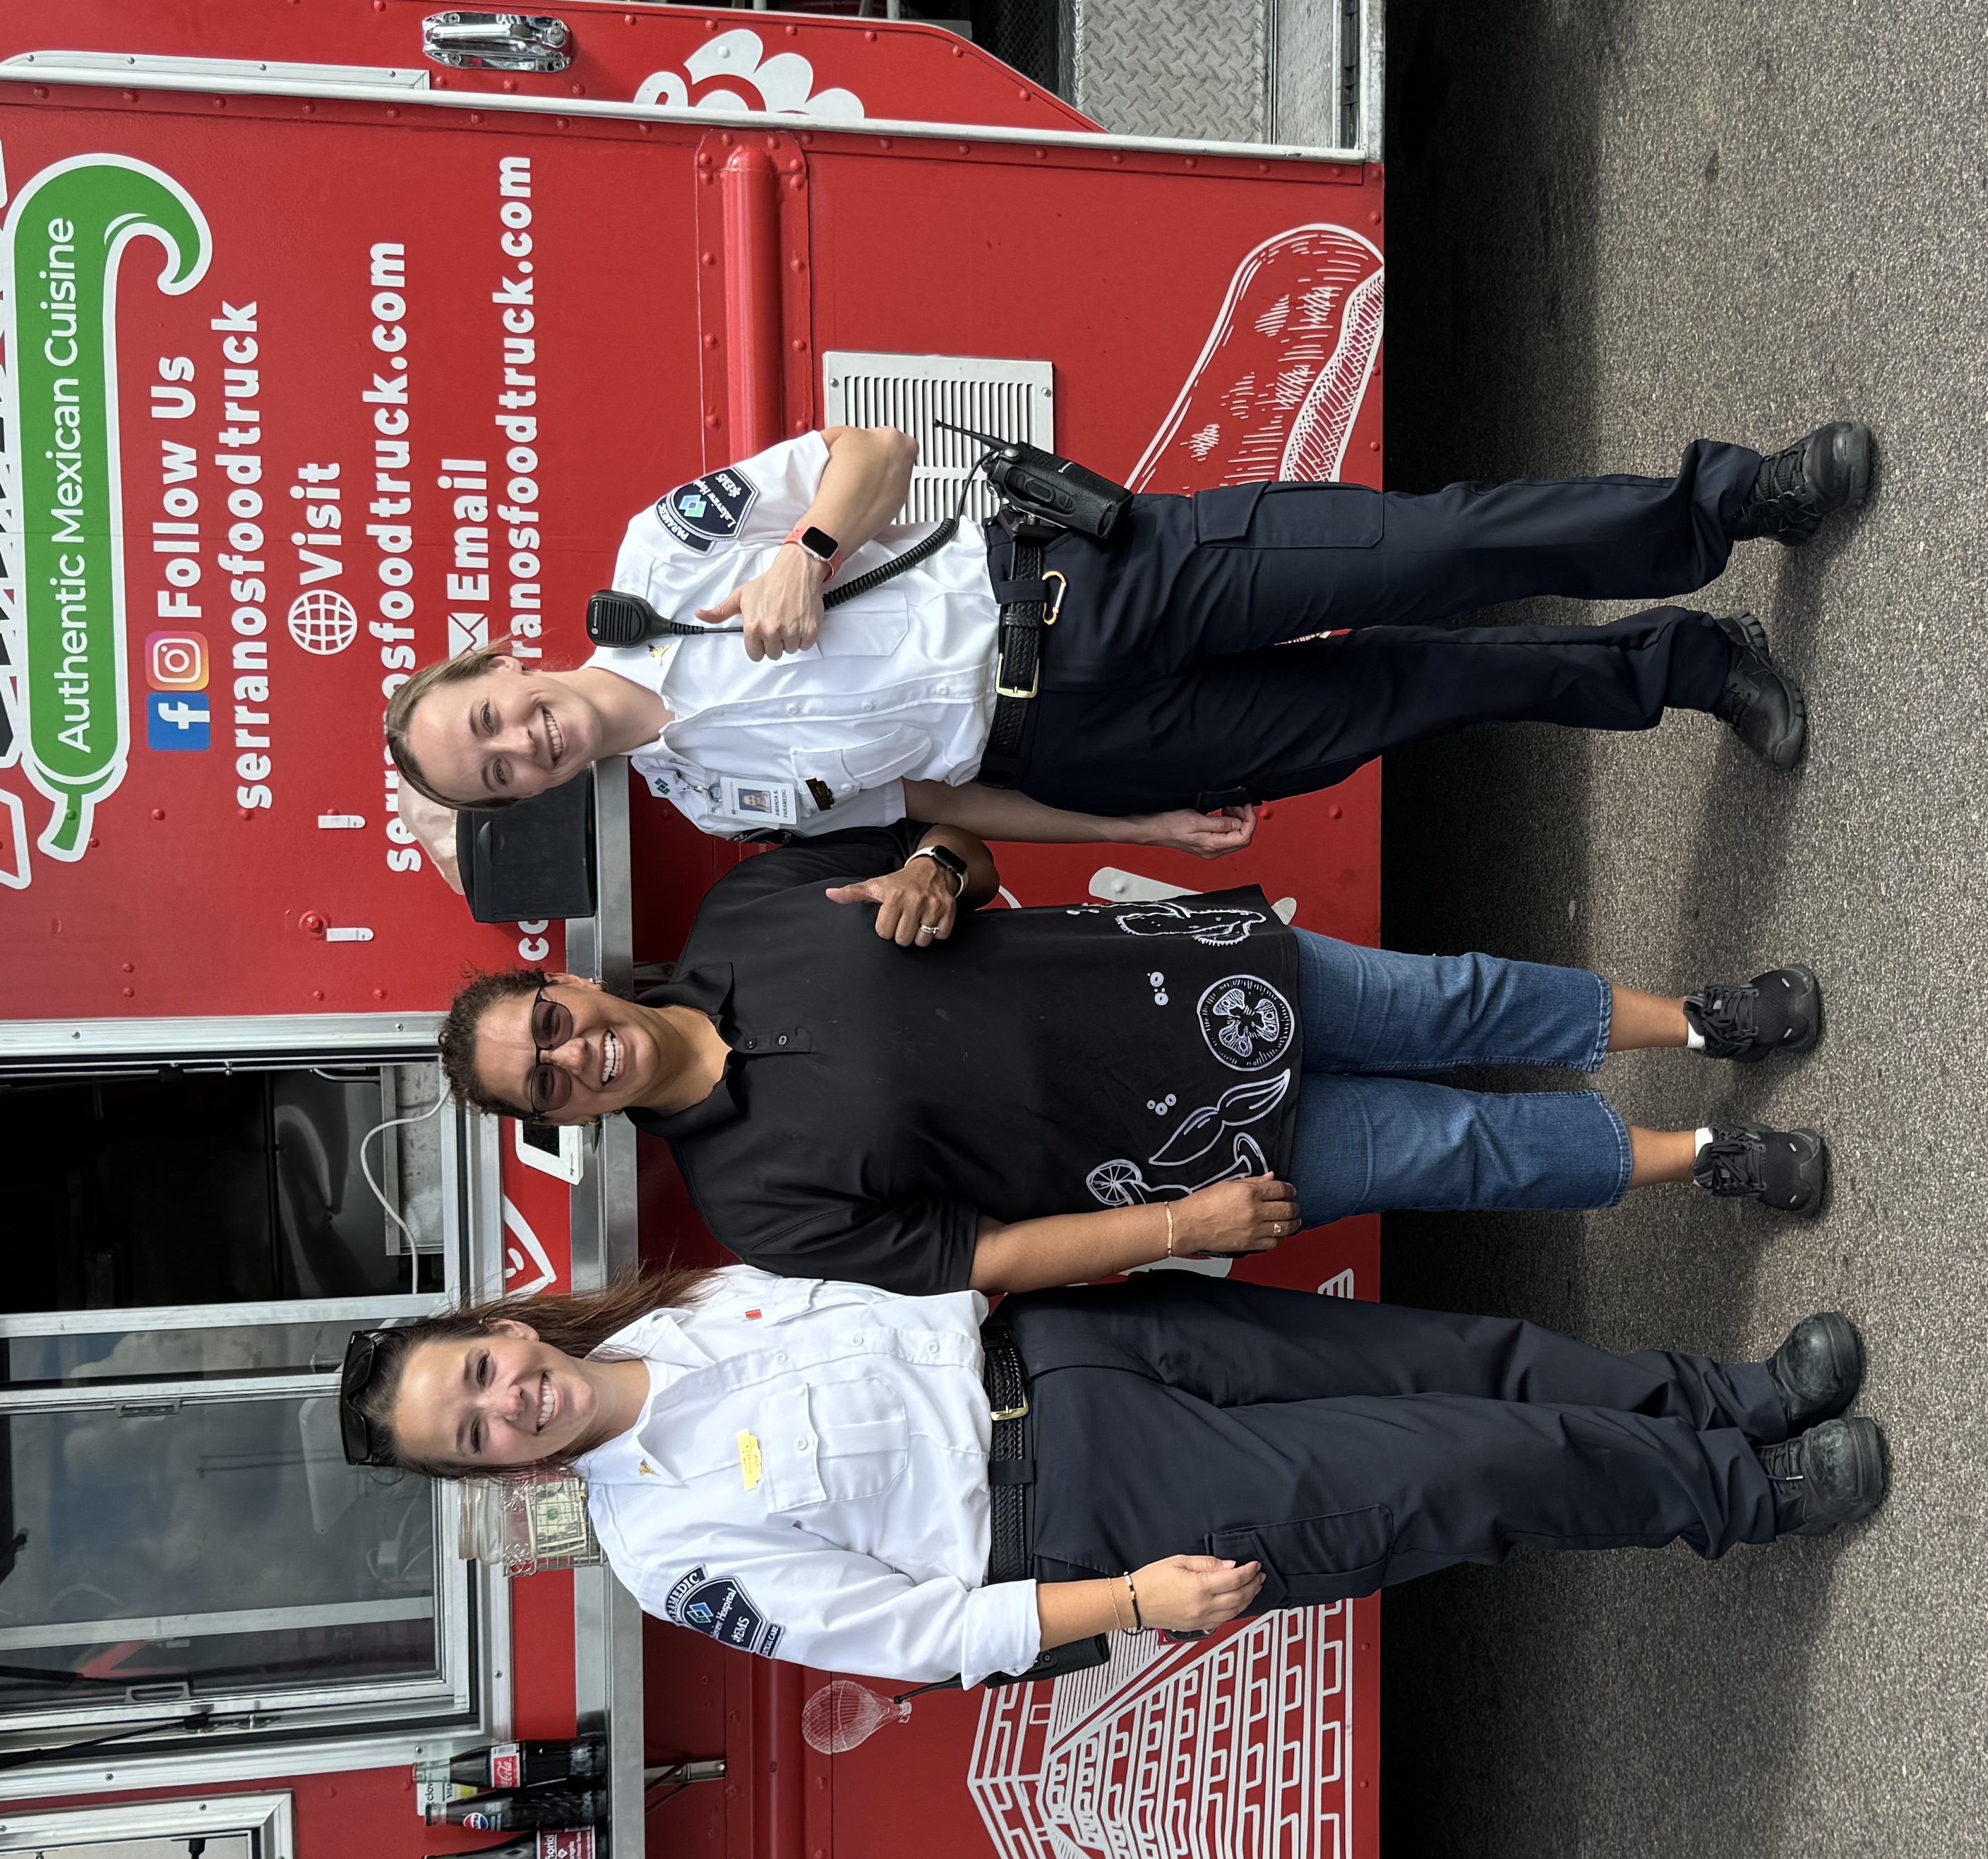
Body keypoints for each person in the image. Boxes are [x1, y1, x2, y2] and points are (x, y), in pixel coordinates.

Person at [433, 818, 1834, 1292]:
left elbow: (957, 845)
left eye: (548, 1025)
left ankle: (1700, 1023)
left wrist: (934, 863)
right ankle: (1707, 1156)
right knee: (1454, 1148)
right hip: (1184, 1163)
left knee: (1454, 1002)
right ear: (569, 1119)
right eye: (543, 1082)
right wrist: (1180, 1228)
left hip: (1198, 978)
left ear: (565, 980)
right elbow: (976, 1259)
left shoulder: (745, 907)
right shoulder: (749, 1206)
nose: (575, 1057)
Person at [336, 1269, 1889, 1688]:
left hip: (1080, 1346)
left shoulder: (674, 1308)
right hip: (1095, 1505)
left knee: (1452, 1363)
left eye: (474, 1373)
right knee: (1465, 1469)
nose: (505, 1402)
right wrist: (1133, 1600)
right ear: (488, 1472)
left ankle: (1734, 1401)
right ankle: (1749, 1496)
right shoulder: (666, 1551)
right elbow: (912, 1635)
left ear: (495, 1326)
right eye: (470, 1433)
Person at [382, 414, 1880, 846]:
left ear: (499, 664)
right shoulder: (701, 803)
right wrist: (1141, 826)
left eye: (491, 720)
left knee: (1429, 546)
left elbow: (879, 456)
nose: (521, 743)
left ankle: (1736, 502)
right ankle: (1686, 668)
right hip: (1080, 740)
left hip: (1084, 584)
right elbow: (926, 798)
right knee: (1408, 696)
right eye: (499, 772)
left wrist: (809, 551)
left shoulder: (667, 555)